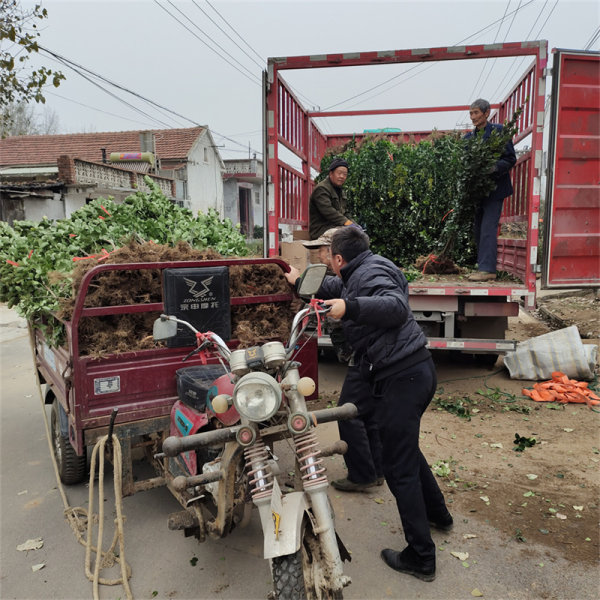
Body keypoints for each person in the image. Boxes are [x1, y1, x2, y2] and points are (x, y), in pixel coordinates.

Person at [320, 226, 452, 582]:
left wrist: (350, 307)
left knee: (398, 466)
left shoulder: (370, 272)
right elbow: (337, 288)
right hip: (410, 372)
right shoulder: (360, 270)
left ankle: (421, 558)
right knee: (405, 449)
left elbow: (394, 306)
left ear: (339, 259)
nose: (326, 263)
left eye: (326, 256)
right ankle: (439, 515)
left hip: (403, 376)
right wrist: (296, 280)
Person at [286, 228, 385, 492]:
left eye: (322, 250)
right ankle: (376, 470)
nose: (319, 255)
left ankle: (363, 475)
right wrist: (298, 282)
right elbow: (329, 286)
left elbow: (383, 306)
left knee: (348, 412)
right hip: (370, 355)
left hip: (368, 355)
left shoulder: (360, 276)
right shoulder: (348, 275)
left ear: (336, 254)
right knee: (367, 413)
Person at [465, 98, 517, 282]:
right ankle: (483, 266)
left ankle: (488, 270)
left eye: (476, 113)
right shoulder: (468, 139)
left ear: (486, 113)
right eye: (471, 113)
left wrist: (493, 168)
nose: (473, 117)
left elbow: (511, 159)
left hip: (495, 191)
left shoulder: (499, 132)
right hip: (477, 193)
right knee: (478, 230)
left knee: (488, 228)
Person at [309, 158, 355, 240]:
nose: (342, 176)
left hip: (335, 227)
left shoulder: (341, 190)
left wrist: (354, 224)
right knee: (347, 235)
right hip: (321, 230)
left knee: (359, 234)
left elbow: (346, 212)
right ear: (331, 174)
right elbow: (328, 211)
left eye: (345, 174)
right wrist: (346, 222)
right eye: (339, 173)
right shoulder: (321, 189)